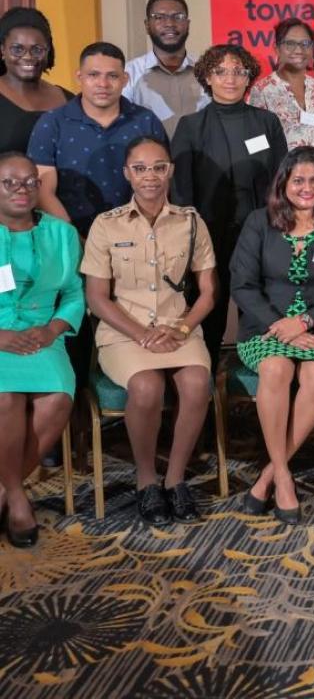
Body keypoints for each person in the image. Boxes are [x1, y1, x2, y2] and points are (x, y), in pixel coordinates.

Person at [82, 135, 219, 526]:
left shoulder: (191, 221)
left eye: (158, 167)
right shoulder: (105, 226)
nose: (150, 177)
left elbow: (208, 292)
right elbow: (97, 297)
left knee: (196, 383)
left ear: (170, 170)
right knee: (146, 386)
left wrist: (181, 327)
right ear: (127, 173)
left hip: (178, 328)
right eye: (140, 169)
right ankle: (146, 479)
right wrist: (142, 334)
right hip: (125, 332)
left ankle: (175, 479)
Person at [230, 147, 314, 524]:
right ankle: (284, 476)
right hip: (264, 325)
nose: (307, 188)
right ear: (284, 183)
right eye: (298, 180)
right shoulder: (259, 222)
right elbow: (242, 285)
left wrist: (304, 322)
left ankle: (271, 472)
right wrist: (281, 326)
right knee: (275, 369)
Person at [171, 45, 288, 367]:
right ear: (207, 77)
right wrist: (191, 240)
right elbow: (181, 192)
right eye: (221, 71)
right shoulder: (191, 126)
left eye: (239, 71)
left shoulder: (267, 122)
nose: (231, 78)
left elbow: (282, 180)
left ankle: (267, 381)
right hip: (209, 235)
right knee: (210, 308)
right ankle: (204, 389)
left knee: (263, 307)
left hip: (261, 233)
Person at [0, 152, 83, 546]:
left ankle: (4, 489)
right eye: (9, 182)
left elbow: (73, 294)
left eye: (30, 181)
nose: (21, 189)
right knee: (6, 399)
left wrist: (53, 329)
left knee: (56, 399)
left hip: (41, 335)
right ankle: (16, 497)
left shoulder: (61, 234)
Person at [29, 42, 167, 236]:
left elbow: (163, 183)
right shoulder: (52, 123)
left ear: (125, 79)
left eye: (112, 76)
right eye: (93, 75)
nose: (103, 84)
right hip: (71, 240)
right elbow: (42, 191)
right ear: (79, 77)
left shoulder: (146, 121)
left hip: (139, 239)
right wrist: (74, 240)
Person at [122, 0, 208, 138]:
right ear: (147, 25)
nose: (169, 24)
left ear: (187, 24)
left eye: (178, 17)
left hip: (203, 159)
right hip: (151, 160)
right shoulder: (129, 73)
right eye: (159, 17)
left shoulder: (207, 71)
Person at [248, 19, 314, 155]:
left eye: (305, 43)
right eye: (290, 44)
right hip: (282, 175)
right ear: (276, 48)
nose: (299, 50)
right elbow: (254, 146)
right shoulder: (262, 91)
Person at [0, 7, 71, 155]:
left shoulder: (70, 101)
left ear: (48, 51)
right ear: (2, 51)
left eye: (37, 50)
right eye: (17, 49)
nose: (28, 57)